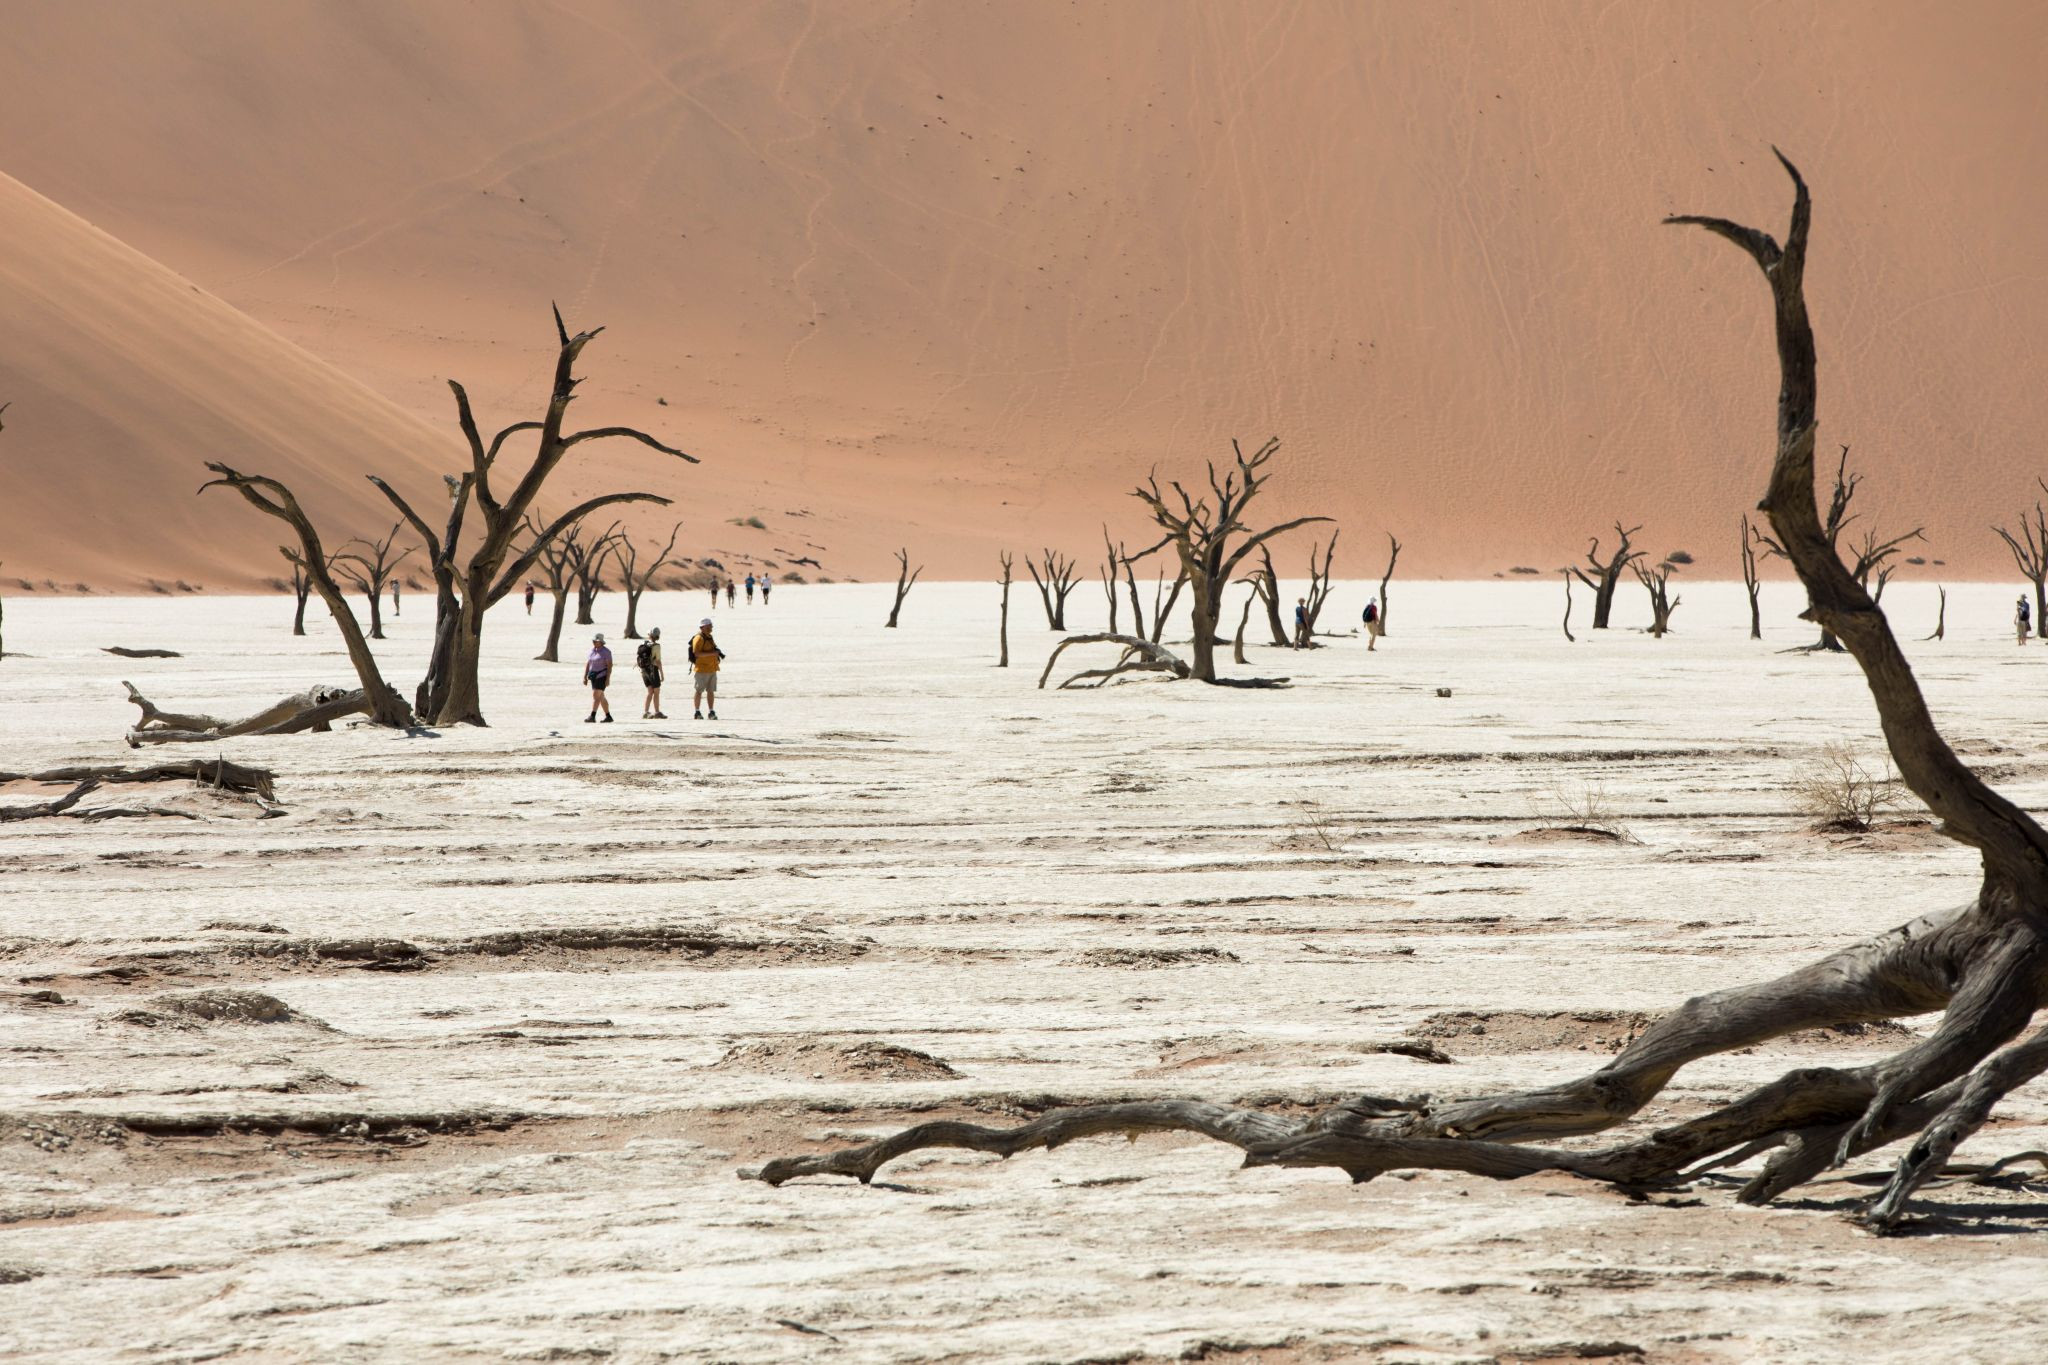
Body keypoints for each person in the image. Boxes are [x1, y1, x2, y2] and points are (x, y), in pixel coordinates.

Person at [688, 617, 725, 720]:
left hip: (712, 668)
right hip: (701, 669)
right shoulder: (698, 638)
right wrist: (713, 653)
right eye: (709, 626)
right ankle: (697, 712)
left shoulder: (709, 636)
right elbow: (697, 653)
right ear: (703, 627)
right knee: (699, 691)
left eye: (711, 626)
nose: (711, 628)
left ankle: (711, 711)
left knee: (711, 691)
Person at [584, 632, 614, 723]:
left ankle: (592, 716)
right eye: (593, 640)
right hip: (593, 676)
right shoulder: (591, 651)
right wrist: (585, 676)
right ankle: (608, 716)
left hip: (602, 676)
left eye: (596, 641)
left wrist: (608, 678)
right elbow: (588, 663)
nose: (594, 642)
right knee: (601, 697)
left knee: (596, 695)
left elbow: (609, 666)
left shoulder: (606, 652)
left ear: (601, 642)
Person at [638, 627, 666, 719]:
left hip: (643, 670)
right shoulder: (656, 646)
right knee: (656, 691)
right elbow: (658, 661)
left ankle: (645, 712)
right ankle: (657, 712)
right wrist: (661, 674)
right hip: (653, 670)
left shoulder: (643, 644)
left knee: (650, 691)